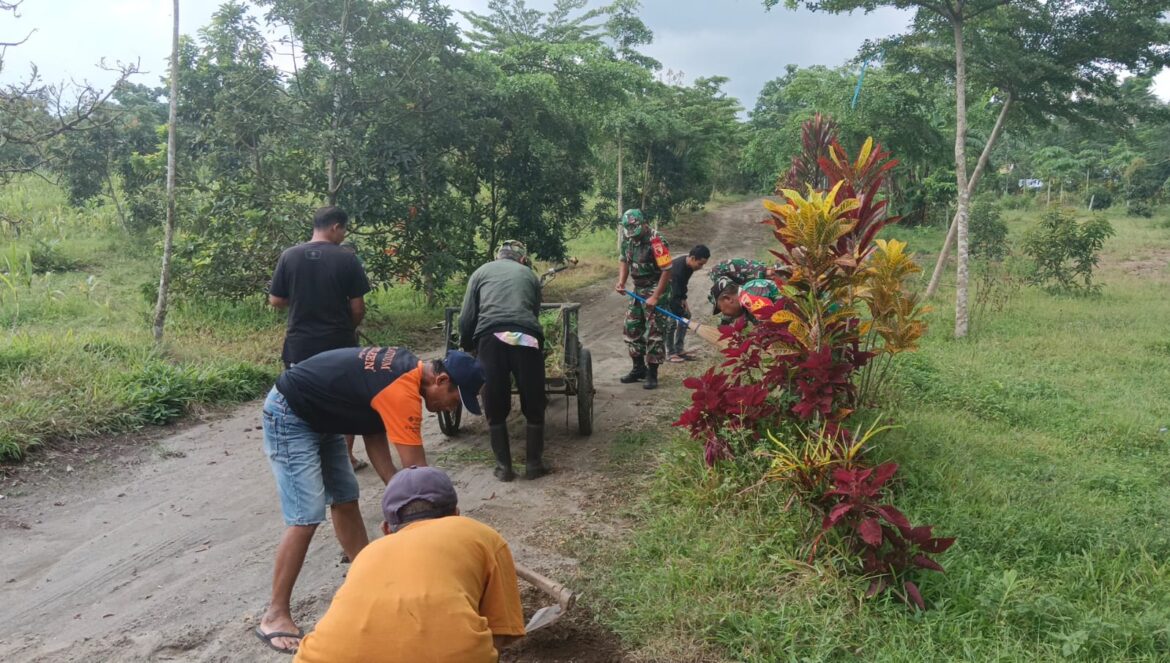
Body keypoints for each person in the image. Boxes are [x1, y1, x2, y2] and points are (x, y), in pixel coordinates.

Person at [255, 347, 486, 654]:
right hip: (292, 414)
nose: (452, 407)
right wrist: (447, 530)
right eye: (457, 398)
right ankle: (274, 615)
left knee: (346, 498)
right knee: (306, 515)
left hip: (322, 415)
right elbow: (420, 479)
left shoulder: (404, 372)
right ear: (441, 380)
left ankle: (370, 582)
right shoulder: (402, 392)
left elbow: (375, 436)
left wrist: (402, 501)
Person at [293, 466, 526, 663]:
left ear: (387, 529)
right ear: (456, 514)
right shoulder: (482, 535)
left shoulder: (366, 553)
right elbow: (502, 634)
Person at [269, 206, 371, 472]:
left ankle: (310, 455)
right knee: (347, 400)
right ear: (336, 227)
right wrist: (347, 329)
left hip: (300, 344)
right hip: (339, 344)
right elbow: (358, 308)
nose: (343, 235)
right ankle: (345, 457)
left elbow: (276, 300)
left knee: (302, 397)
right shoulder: (347, 258)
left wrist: (303, 296)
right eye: (344, 230)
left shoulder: (289, 256)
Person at [459, 240, 549, 482]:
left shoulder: (480, 272)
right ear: (521, 259)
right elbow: (534, 311)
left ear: (498, 257)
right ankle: (534, 465)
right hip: (526, 337)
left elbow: (467, 316)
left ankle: (503, 468)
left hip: (491, 338)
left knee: (495, 401)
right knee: (534, 399)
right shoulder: (529, 275)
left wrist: (468, 345)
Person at [614, 209, 672, 390]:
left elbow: (667, 270)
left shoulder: (657, 241)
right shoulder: (628, 240)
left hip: (656, 287)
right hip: (638, 290)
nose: (633, 234)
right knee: (631, 327)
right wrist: (621, 282)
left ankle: (653, 374)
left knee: (655, 332)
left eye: (635, 230)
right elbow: (624, 260)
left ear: (644, 224)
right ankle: (638, 368)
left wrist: (656, 296)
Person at [665, 244, 711, 362]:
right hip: (664, 294)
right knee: (671, 323)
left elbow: (683, 285)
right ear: (693, 258)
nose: (700, 267)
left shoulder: (689, 267)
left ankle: (679, 349)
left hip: (675, 293)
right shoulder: (677, 270)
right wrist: (679, 311)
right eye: (700, 264)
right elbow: (673, 295)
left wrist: (684, 300)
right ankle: (670, 353)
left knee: (686, 316)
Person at [707, 258, 786, 325]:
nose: (723, 313)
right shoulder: (748, 291)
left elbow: (772, 323)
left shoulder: (748, 295)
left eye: (721, 309)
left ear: (727, 299)